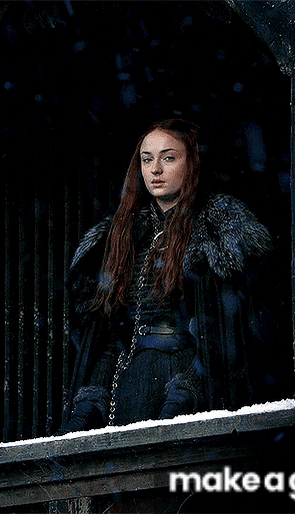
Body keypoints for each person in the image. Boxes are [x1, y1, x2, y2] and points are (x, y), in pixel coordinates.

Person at [57, 118, 275, 434]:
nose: (155, 169)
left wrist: (187, 390)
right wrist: (88, 402)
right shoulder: (123, 236)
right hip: (130, 383)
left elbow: (223, 330)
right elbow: (110, 332)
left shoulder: (216, 230)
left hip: (189, 384)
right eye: (147, 160)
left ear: (192, 164)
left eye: (168, 158)